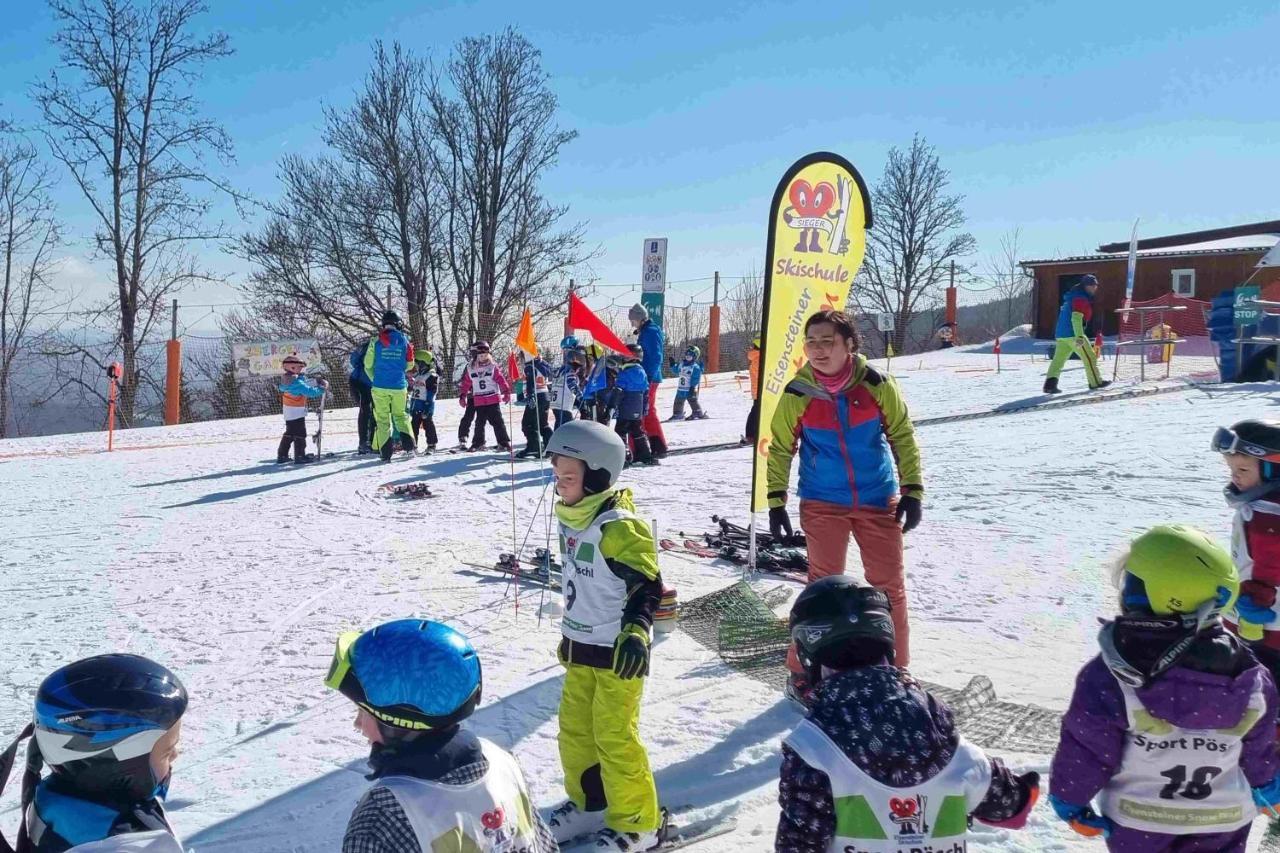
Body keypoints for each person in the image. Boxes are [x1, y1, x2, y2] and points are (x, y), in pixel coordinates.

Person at [1049, 524, 1280, 852]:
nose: (1128, 593)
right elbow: (1258, 744)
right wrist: (1267, 782)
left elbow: (1088, 746)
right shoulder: (1250, 676)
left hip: (1140, 818)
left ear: (1165, 596)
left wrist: (1069, 797)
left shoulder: (1111, 673)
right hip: (1221, 818)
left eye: (1135, 586)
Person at [777, 576, 1040, 851]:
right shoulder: (945, 738)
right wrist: (1024, 791)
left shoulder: (812, 748)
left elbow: (798, 844)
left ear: (808, 655)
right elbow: (1012, 808)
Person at [766, 310, 923, 700]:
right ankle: (803, 671)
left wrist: (912, 489)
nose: (818, 350)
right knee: (821, 586)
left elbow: (902, 433)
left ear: (849, 344)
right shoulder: (797, 393)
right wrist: (775, 500)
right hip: (822, 501)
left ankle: (897, 669)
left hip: (876, 498)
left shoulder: (876, 384)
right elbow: (781, 447)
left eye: (827, 341)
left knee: (889, 588)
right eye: (812, 342)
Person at [324, 619, 558, 853]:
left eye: (362, 713)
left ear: (398, 721)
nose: (358, 725)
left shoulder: (385, 816)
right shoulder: (501, 762)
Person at [544, 420, 664, 851]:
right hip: (580, 649)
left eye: (569, 478)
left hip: (617, 654)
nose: (560, 486)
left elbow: (647, 583)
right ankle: (590, 803)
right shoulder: (574, 515)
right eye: (557, 477)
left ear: (597, 476)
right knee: (575, 732)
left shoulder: (617, 525)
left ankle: (638, 821)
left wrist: (636, 629)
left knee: (615, 736)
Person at [0, 654, 189, 852]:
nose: (177, 754)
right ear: (116, 764)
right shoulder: (126, 845)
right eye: (167, 752)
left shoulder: (62, 800)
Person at [1213, 419, 1280, 675]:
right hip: (1262, 623)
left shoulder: (1269, 515)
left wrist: (1255, 599)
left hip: (1264, 627)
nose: (1234, 477)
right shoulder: (1263, 508)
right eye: (1231, 469)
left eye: (1243, 469)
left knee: (1262, 687)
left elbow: (1271, 563)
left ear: (1273, 470)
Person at [363, 310, 416, 461]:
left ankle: (385, 454)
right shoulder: (405, 341)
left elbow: (367, 364)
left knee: (382, 419)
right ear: (398, 324)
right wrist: (397, 370)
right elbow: (409, 364)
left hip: (379, 386)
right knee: (401, 416)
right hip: (399, 385)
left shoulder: (376, 341)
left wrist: (376, 378)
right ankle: (410, 449)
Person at [1044, 273, 1110, 394]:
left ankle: (1050, 384)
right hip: (1073, 334)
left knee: (1058, 360)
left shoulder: (1071, 297)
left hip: (1061, 334)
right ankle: (1095, 382)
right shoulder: (1080, 298)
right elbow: (1076, 318)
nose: (1094, 288)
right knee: (1089, 357)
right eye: (1092, 286)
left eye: (1095, 286)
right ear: (1085, 286)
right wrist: (1079, 336)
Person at [627, 304, 667, 458]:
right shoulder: (647, 331)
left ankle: (648, 446)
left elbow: (656, 357)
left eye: (633, 320)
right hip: (645, 376)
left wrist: (647, 376)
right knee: (647, 410)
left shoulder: (650, 332)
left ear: (639, 318)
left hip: (648, 377)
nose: (632, 324)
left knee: (643, 410)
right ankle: (656, 444)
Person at [457, 341, 512, 452]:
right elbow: (466, 383)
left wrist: (506, 391)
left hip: (492, 398)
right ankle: (478, 443)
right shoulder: (471, 368)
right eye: (480, 356)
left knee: (497, 421)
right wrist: (462, 396)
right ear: (476, 356)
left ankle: (503, 442)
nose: (483, 358)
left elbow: (501, 379)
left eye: (485, 355)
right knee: (479, 422)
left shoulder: (492, 367)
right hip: (479, 400)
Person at [277, 354, 328, 464]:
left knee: (290, 432)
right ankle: (300, 455)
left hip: (289, 410)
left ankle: (282, 454)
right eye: (299, 367)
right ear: (292, 367)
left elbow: (302, 382)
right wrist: (321, 388)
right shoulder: (296, 383)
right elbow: (309, 392)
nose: (301, 369)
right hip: (296, 411)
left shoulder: (287, 379)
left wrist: (308, 379)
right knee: (300, 433)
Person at [611, 345, 656, 466]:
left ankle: (623, 457)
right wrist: (644, 408)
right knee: (637, 431)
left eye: (625, 355)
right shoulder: (642, 372)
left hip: (626, 407)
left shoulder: (625, 373)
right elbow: (646, 391)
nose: (623, 358)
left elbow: (619, 390)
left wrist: (613, 404)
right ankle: (645, 455)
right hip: (637, 407)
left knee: (620, 431)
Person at [518, 352, 554, 458]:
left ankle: (533, 447)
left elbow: (530, 383)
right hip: (544, 396)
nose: (522, 359)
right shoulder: (542, 364)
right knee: (543, 424)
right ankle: (550, 447)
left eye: (522, 356)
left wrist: (530, 396)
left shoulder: (530, 366)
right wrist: (522, 394)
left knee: (527, 424)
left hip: (536, 397)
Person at [550, 337, 583, 431]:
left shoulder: (561, 369)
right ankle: (560, 443)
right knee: (567, 427)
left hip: (556, 403)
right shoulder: (569, 370)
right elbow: (571, 382)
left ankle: (555, 442)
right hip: (564, 405)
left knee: (560, 424)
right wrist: (579, 395)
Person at [348, 339, 375, 453]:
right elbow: (353, 361)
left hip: (375, 384)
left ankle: (374, 440)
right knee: (365, 410)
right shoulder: (368, 345)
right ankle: (363, 442)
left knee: (377, 412)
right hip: (359, 382)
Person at [408, 352, 438, 454]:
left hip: (425, 405)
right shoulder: (419, 375)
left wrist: (427, 406)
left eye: (417, 364)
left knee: (428, 424)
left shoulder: (431, 376)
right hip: (416, 405)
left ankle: (432, 445)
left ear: (423, 364)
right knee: (413, 425)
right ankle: (412, 446)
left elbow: (431, 392)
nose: (416, 366)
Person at [668, 346, 706, 421]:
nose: (688, 356)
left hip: (689, 388)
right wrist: (672, 364)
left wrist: (692, 387)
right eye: (687, 355)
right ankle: (678, 414)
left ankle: (697, 412)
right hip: (681, 388)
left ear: (695, 357)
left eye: (690, 355)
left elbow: (696, 378)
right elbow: (676, 370)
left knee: (692, 400)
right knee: (678, 401)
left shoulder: (694, 367)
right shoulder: (682, 364)